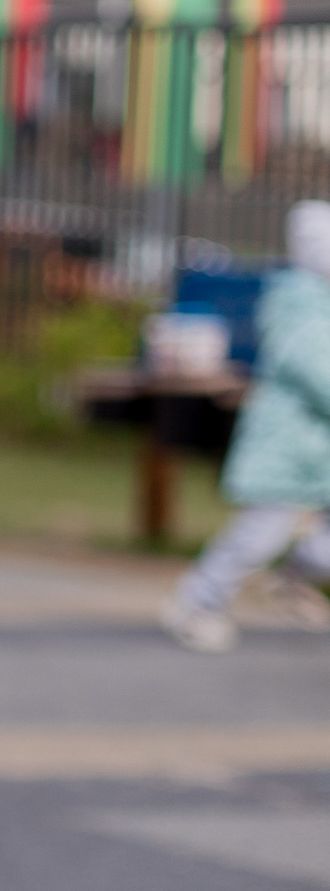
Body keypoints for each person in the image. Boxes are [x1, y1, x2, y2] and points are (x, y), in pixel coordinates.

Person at [161, 201, 330, 652]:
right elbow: (317, 371)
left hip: (321, 447)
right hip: (287, 446)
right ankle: (198, 601)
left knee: (312, 539)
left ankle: (293, 576)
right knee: (262, 531)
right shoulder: (297, 306)